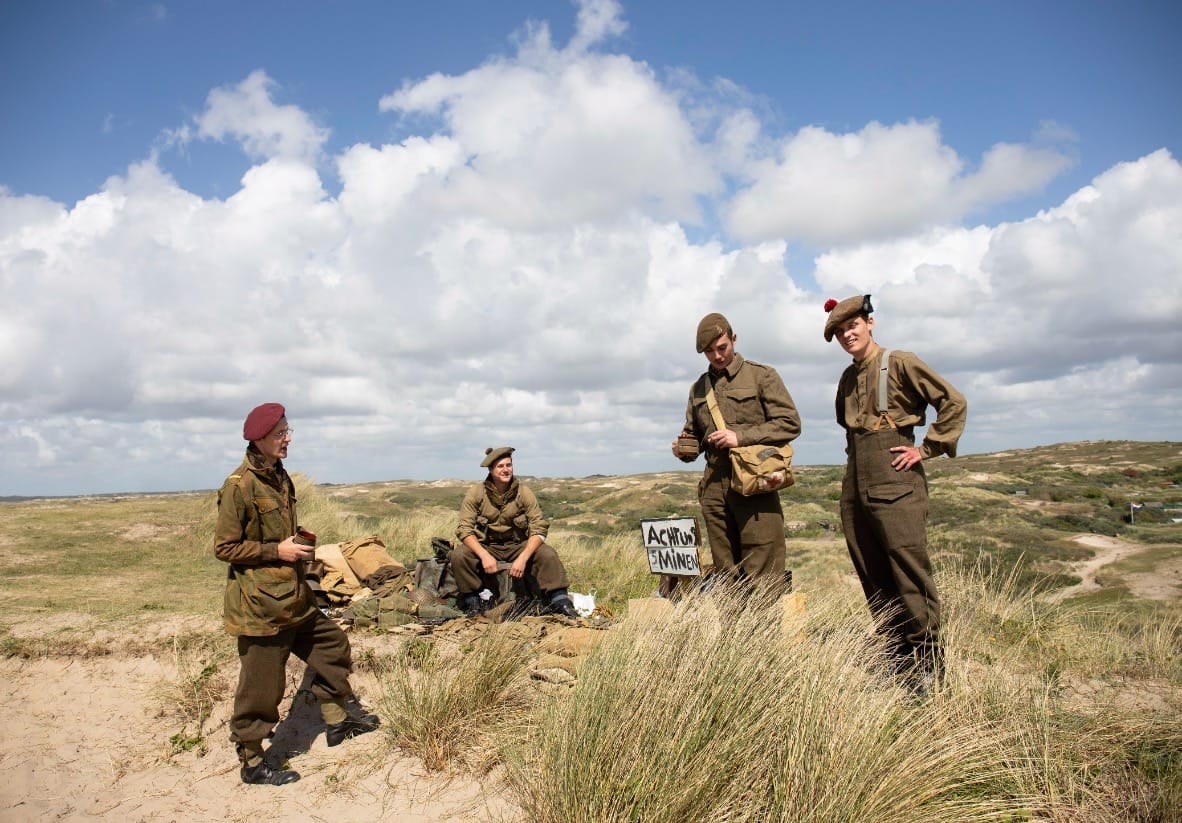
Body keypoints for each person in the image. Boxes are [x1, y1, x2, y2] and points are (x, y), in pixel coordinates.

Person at [214, 402, 379, 786]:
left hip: (293, 597)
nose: (288, 438)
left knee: (332, 646)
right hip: (261, 607)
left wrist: (296, 544)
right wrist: (278, 550)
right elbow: (225, 548)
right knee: (262, 686)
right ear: (260, 439)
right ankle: (253, 762)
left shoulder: (279, 476)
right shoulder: (239, 486)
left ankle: (338, 723)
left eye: (288, 430)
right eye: (280, 433)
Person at [823, 294, 967, 694]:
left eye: (852, 325)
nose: (847, 334)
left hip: (895, 474)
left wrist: (926, 448)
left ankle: (928, 665)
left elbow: (953, 402)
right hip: (857, 476)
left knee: (908, 571)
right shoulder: (847, 378)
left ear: (870, 323)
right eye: (839, 331)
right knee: (872, 572)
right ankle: (898, 658)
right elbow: (847, 425)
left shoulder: (900, 362)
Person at [672, 312, 801, 594]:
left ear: (734, 338)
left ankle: (763, 635)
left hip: (754, 483)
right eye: (709, 351)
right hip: (715, 487)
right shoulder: (699, 389)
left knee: (763, 570)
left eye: (722, 348)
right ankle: (734, 636)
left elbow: (790, 423)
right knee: (725, 571)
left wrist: (739, 437)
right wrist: (685, 448)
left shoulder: (761, 375)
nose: (717, 356)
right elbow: (694, 434)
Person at [450, 446, 580, 618]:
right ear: (490, 469)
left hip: (518, 545)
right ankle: (474, 601)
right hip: (488, 546)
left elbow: (539, 528)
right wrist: (483, 555)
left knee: (547, 554)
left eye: (508, 465)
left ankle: (560, 602)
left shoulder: (523, 492)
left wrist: (523, 557)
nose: (506, 470)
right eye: (500, 466)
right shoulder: (476, 493)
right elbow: (464, 529)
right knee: (458, 556)